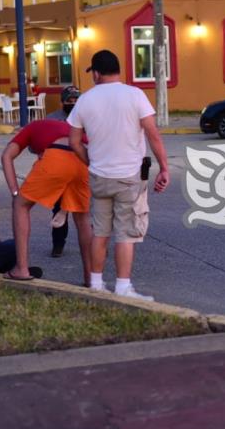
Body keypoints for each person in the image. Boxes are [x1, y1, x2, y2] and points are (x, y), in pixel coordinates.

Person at [68, 49, 169, 300]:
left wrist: (90, 160)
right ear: (118, 70)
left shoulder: (85, 100)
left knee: (100, 232)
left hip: (99, 177)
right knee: (126, 233)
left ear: (97, 74)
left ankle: (96, 284)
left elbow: (74, 142)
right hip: (129, 177)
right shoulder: (135, 95)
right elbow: (152, 134)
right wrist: (164, 167)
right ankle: (123, 287)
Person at [1, 118, 92, 284]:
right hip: (84, 158)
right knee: (82, 218)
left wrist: (15, 192)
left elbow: (6, 156)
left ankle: (21, 269)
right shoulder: (62, 127)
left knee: (21, 205)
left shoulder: (30, 128)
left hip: (57, 153)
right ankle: (91, 278)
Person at [46, 85, 81, 257]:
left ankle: (92, 246)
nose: (73, 103)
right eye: (69, 100)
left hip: (82, 169)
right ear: (62, 102)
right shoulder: (52, 119)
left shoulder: (86, 118)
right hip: (59, 170)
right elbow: (38, 143)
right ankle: (58, 245)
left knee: (86, 211)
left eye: (76, 100)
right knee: (59, 209)